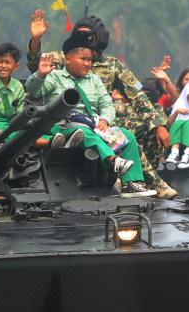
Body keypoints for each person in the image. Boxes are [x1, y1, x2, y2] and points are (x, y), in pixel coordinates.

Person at [26, 11, 175, 199]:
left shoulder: (113, 66)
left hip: (101, 120)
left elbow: (137, 93)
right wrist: (36, 41)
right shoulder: (63, 58)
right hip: (67, 122)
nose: (83, 40)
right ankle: (147, 178)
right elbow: (36, 69)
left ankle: (136, 181)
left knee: (139, 133)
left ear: (100, 38)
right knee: (90, 134)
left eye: (88, 35)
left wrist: (159, 124)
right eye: (79, 34)